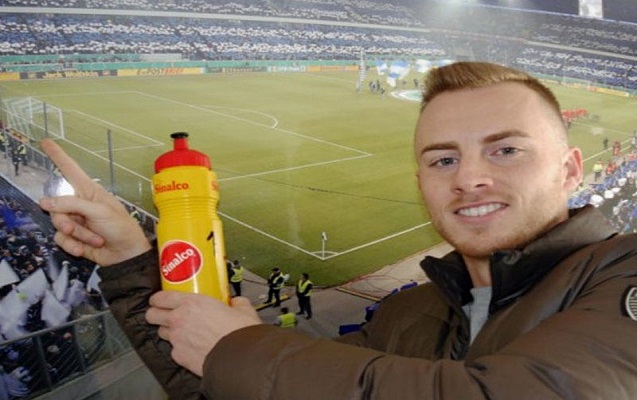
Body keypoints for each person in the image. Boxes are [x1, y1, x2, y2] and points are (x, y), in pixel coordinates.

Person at [38, 61, 637, 399]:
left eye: (506, 150)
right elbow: (227, 388)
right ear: (421, 182)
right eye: (443, 159)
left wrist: (239, 346)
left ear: (570, 169)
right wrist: (132, 261)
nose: (469, 178)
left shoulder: (622, 271)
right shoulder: (406, 315)